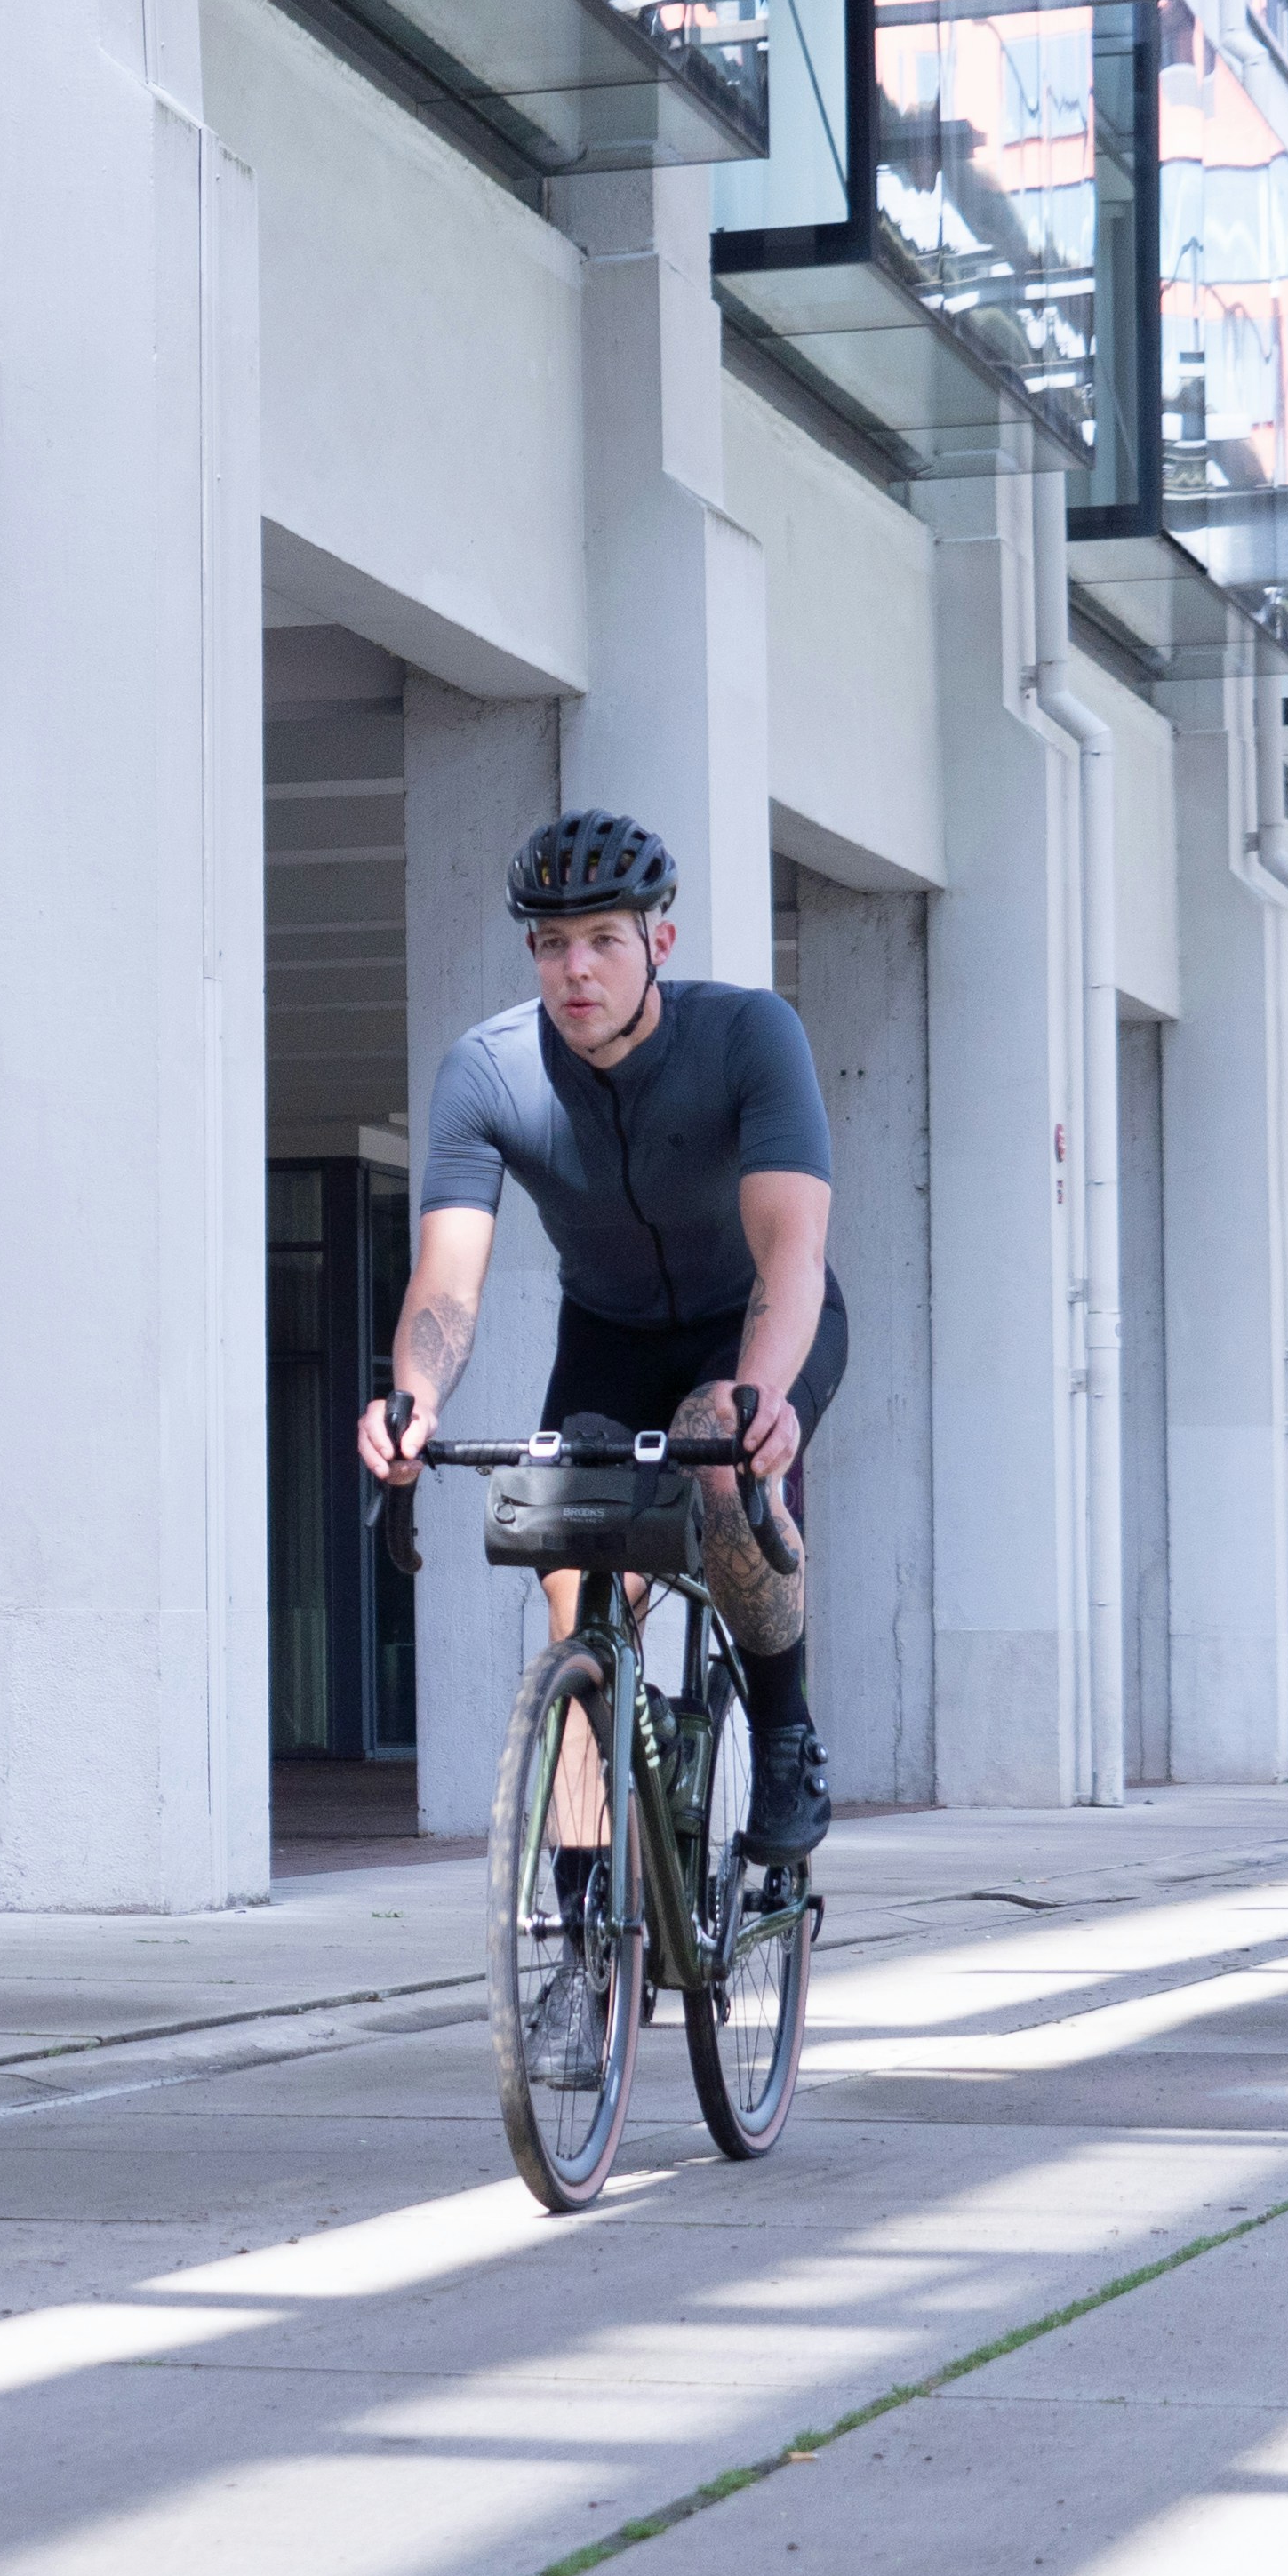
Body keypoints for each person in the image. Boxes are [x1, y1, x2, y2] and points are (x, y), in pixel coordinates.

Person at [356, 809, 839, 2087]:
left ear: (657, 942)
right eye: (551, 944)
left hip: (755, 1327)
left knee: (715, 1452)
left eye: (603, 943)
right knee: (577, 1595)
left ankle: (785, 1735)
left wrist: (760, 1396)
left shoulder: (749, 1037)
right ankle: (581, 1933)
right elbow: (447, 1284)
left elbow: (793, 1250)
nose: (575, 969)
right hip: (610, 1337)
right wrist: (410, 1400)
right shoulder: (490, 1071)